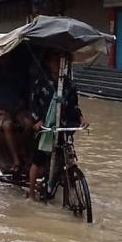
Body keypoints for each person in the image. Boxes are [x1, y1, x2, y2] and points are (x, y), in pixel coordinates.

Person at [28, 51, 88, 201]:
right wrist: (37, 121)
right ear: (49, 63)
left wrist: (82, 119)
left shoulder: (69, 85)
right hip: (46, 126)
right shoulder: (41, 82)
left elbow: (74, 106)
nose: (58, 66)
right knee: (38, 160)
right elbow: (33, 104)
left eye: (62, 62)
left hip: (64, 125)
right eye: (55, 62)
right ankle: (31, 193)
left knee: (66, 156)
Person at [0, 52, 33, 173]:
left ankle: (23, 149)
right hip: (2, 110)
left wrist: (21, 105)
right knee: (7, 126)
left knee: (29, 124)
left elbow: (25, 93)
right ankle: (16, 159)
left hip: (18, 109)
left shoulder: (19, 74)